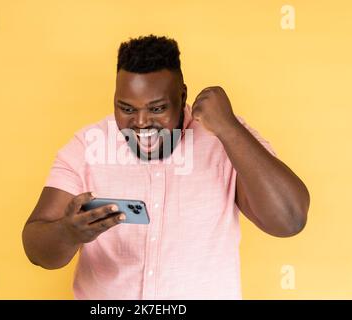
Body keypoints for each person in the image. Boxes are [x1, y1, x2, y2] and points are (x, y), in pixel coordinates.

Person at [22, 34, 310, 299]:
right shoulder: (88, 146)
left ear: (183, 96)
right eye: (126, 108)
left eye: (157, 108)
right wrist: (69, 232)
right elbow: (37, 250)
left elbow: (289, 220)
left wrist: (229, 128)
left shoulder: (226, 137)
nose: (141, 122)